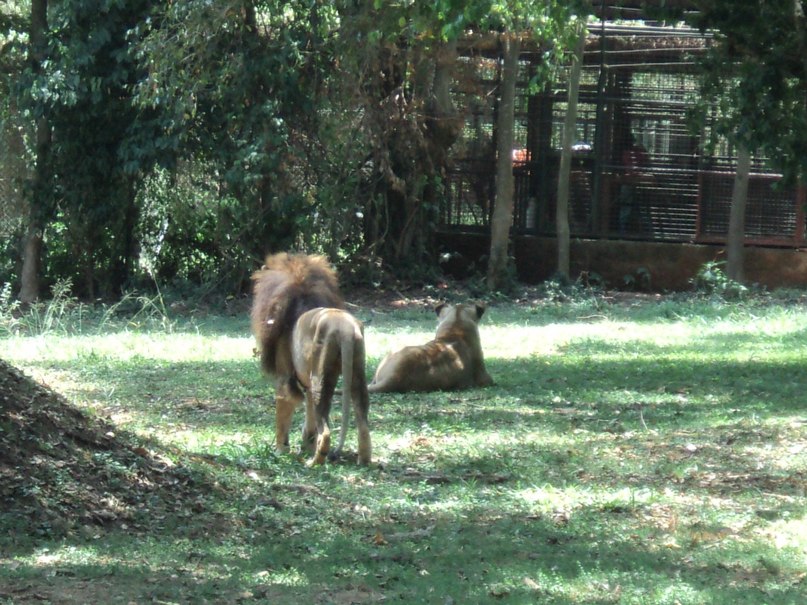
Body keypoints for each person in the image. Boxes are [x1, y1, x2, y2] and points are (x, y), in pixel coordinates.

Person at [617, 134, 652, 234]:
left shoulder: (634, 152)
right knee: (628, 202)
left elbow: (644, 164)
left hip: (636, 181)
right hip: (633, 181)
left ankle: (624, 228)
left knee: (628, 202)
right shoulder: (636, 151)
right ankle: (626, 227)